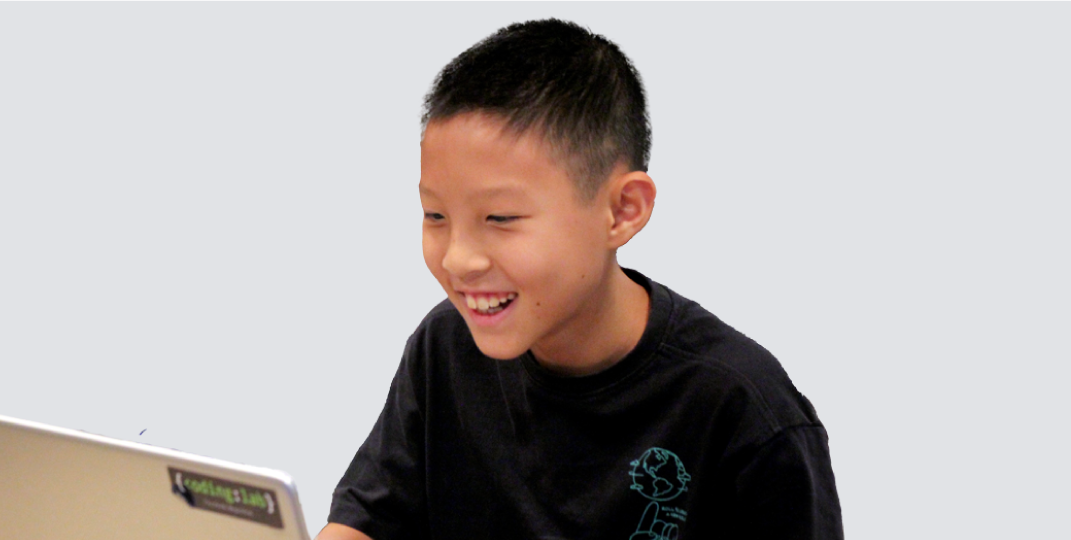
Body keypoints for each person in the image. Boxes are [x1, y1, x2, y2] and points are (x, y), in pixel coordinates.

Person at [317, 19, 842, 540]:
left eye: (499, 219)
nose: (458, 259)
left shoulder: (744, 411)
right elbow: (365, 521)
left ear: (622, 211)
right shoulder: (446, 348)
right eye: (435, 216)